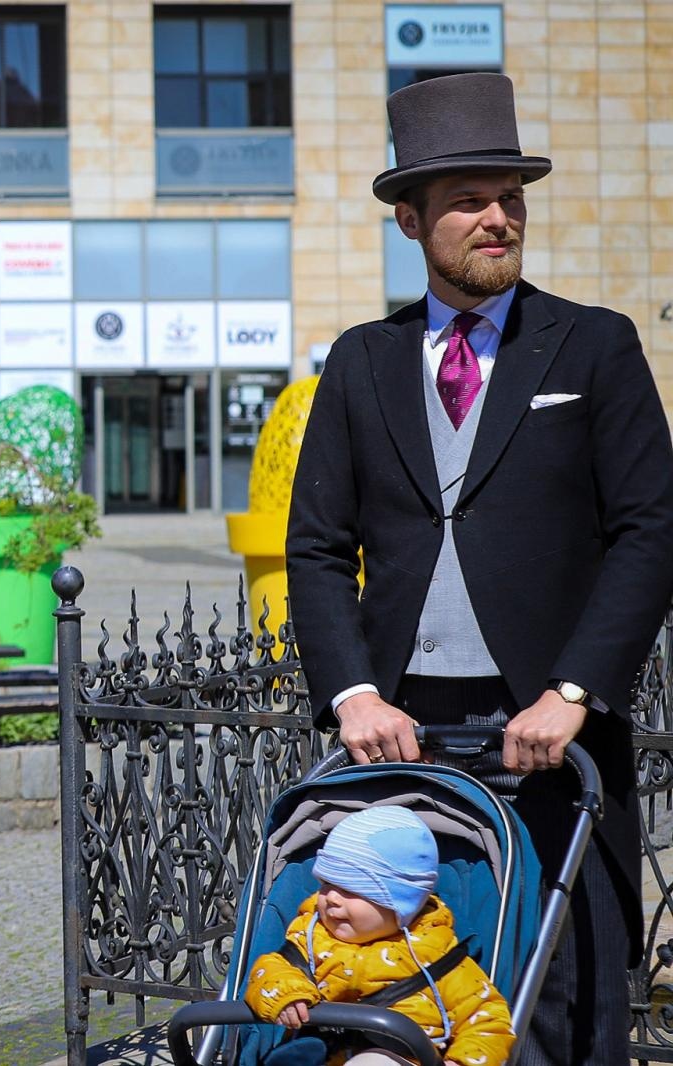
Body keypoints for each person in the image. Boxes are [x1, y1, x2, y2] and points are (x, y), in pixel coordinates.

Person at [286, 73, 673, 1066]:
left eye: (510, 197)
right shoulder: (361, 360)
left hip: (552, 729)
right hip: (399, 731)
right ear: (411, 220)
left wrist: (574, 691)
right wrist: (353, 694)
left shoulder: (592, 346)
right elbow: (318, 547)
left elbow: (650, 530)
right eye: (468, 200)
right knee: (409, 986)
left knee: (562, 994)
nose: (498, 218)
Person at [246, 807, 514, 1066]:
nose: (332, 898)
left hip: (397, 1057)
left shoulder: (439, 957)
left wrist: (462, 1061)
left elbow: (488, 1019)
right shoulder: (310, 935)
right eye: (326, 884)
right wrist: (287, 994)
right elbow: (271, 967)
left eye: (352, 889)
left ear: (402, 903)